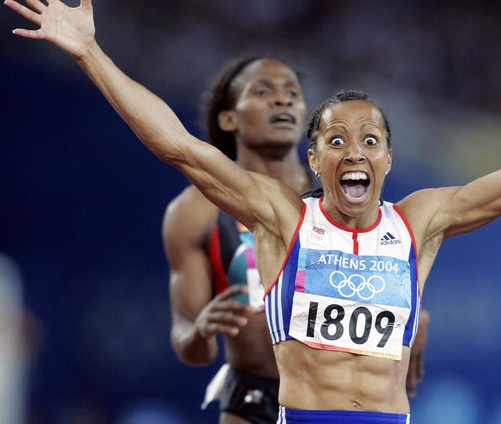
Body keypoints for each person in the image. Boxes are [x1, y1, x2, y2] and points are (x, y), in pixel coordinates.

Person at [5, 0, 501, 423]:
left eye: (370, 140)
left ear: (389, 158)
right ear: (312, 159)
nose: (354, 152)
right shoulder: (283, 216)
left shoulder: (421, 221)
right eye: (336, 140)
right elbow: (177, 146)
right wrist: (90, 54)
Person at [164, 56, 430, 424]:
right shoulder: (194, 212)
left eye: (293, 92)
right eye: (263, 92)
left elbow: (379, 266)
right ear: (229, 118)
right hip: (252, 396)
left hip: (335, 406)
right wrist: (198, 331)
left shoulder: (339, 194)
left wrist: (411, 315)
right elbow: (190, 346)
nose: (283, 100)